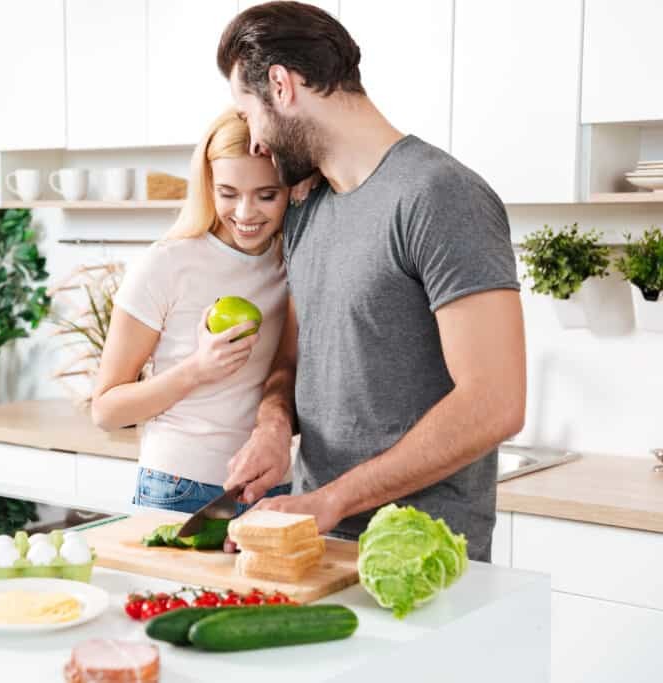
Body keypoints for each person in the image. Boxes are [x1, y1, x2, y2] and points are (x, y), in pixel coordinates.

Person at [217, 1, 526, 561]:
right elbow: (294, 356)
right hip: (314, 544)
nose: (256, 141)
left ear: (282, 87)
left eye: (248, 112)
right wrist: (272, 424)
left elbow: (496, 402)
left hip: (422, 555)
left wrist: (332, 500)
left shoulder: (439, 194)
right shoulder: (308, 206)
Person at [91, 108, 294, 514]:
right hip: (180, 485)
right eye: (228, 193)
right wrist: (198, 368)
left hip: (272, 488)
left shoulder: (292, 260)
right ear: (207, 186)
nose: (246, 213)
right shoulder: (167, 263)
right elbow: (106, 410)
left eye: (266, 195)